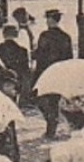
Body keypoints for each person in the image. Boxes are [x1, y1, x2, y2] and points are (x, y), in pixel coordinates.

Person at [31, 9, 74, 139]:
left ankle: (51, 125)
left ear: (50, 20)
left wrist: (33, 53)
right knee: (53, 100)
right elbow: (69, 57)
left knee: (38, 98)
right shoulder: (66, 37)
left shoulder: (44, 36)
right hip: (59, 72)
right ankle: (52, 125)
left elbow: (40, 54)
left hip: (44, 72)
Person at [0, 25, 33, 105]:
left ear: (3, 34)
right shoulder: (23, 51)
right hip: (15, 84)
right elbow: (25, 72)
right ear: (16, 35)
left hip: (0, 84)